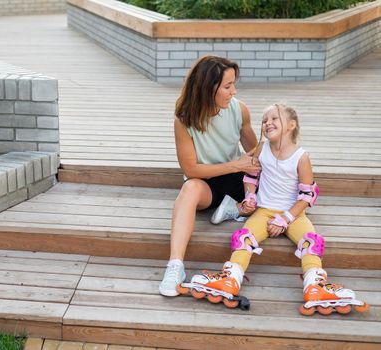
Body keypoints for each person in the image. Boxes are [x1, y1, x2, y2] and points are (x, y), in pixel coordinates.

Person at [181, 104, 369, 315]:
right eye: (264, 120)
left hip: (293, 213)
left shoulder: (301, 157)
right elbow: (251, 175)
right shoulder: (261, 149)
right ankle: (231, 279)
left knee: (312, 241)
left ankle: (314, 285)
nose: (267, 123)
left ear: (291, 125)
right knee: (243, 237)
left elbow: (307, 195)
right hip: (263, 210)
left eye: (274, 118)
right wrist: (250, 196)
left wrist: (285, 219)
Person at [158, 56, 260, 297]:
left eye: (234, 84)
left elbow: (255, 153)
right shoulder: (184, 119)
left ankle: (234, 207)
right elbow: (191, 169)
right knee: (189, 188)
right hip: (206, 182)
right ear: (208, 88)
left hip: (237, 180)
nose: (233, 92)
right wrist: (236, 165)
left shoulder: (239, 109)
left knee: (278, 188)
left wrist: (275, 137)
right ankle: (175, 266)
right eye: (227, 86)